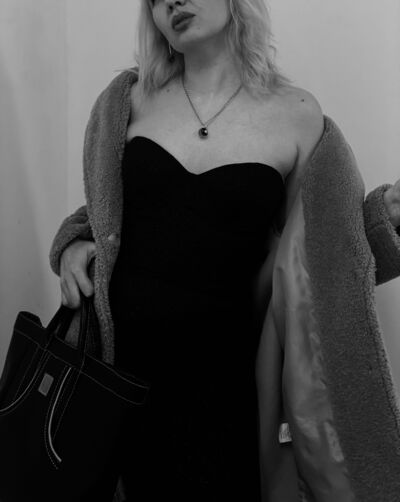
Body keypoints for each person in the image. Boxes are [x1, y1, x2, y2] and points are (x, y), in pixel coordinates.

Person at [49, 1, 400, 501]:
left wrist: (386, 218)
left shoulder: (300, 117)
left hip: (227, 390)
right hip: (118, 382)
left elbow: (325, 261)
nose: (171, 1)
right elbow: (104, 213)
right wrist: (72, 244)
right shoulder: (126, 101)